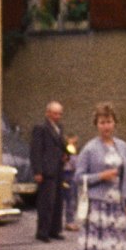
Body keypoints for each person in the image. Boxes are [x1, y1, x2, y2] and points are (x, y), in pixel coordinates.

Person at [74, 103, 126, 250]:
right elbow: (78, 177)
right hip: (97, 206)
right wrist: (101, 176)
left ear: (114, 123)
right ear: (96, 124)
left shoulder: (123, 147)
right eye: (102, 122)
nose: (106, 126)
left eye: (109, 122)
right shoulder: (90, 149)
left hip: (116, 206)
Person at [29, 100, 70, 241]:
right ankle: (42, 232)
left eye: (60, 114)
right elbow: (36, 151)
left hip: (58, 168)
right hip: (46, 170)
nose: (58, 116)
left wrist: (66, 155)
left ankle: (55, 230)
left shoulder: (60, 127)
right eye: (55, 113)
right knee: (46, 202)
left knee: (58, 201)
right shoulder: (41, 128)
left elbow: (61, 146)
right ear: (48, 113)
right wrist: (37, 171)